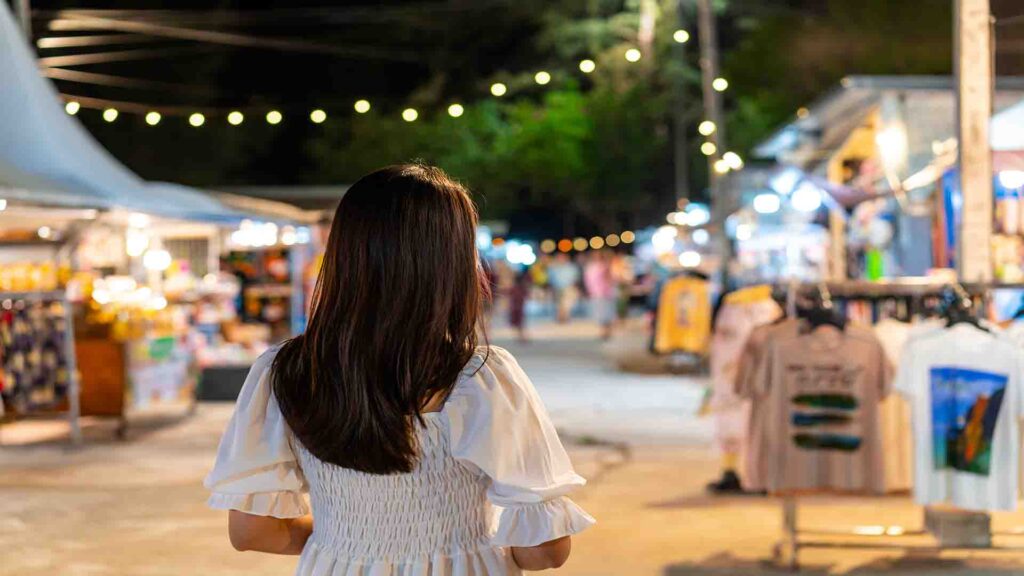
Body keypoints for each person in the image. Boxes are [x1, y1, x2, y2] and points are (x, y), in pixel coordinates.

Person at [205, 165, 594, 575]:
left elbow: (252, 532)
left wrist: (347, 539)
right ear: (452, 265)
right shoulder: (480, 377)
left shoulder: (283, 372)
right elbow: (545, 551)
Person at [583, 251, 616, 340]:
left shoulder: (604, 266)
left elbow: (610, 279)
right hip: (596, 293)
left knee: (606, 313)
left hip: (605, 293)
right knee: (600, 313)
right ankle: (603, 330)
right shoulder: (590, 267)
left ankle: (606, 330)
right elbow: (587, 281)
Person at [548, 252, 581, 323]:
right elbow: (550, 278)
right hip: (557, 288)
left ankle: (565, 317)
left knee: (567, 304)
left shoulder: (571, 267)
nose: (561, 259)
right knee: (559, 304)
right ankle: (560, 317)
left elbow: (576, 278)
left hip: (568, 288)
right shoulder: (553, 267)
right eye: (559, 257)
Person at [508, 268, 532, 343]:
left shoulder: (514, 288)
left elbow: (507, 294)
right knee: (521, 324)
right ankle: (522, 337)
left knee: (519, 324)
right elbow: (528, 296)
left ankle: (521, 337)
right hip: (520, 308)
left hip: (515, 308)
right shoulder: (523, 288)